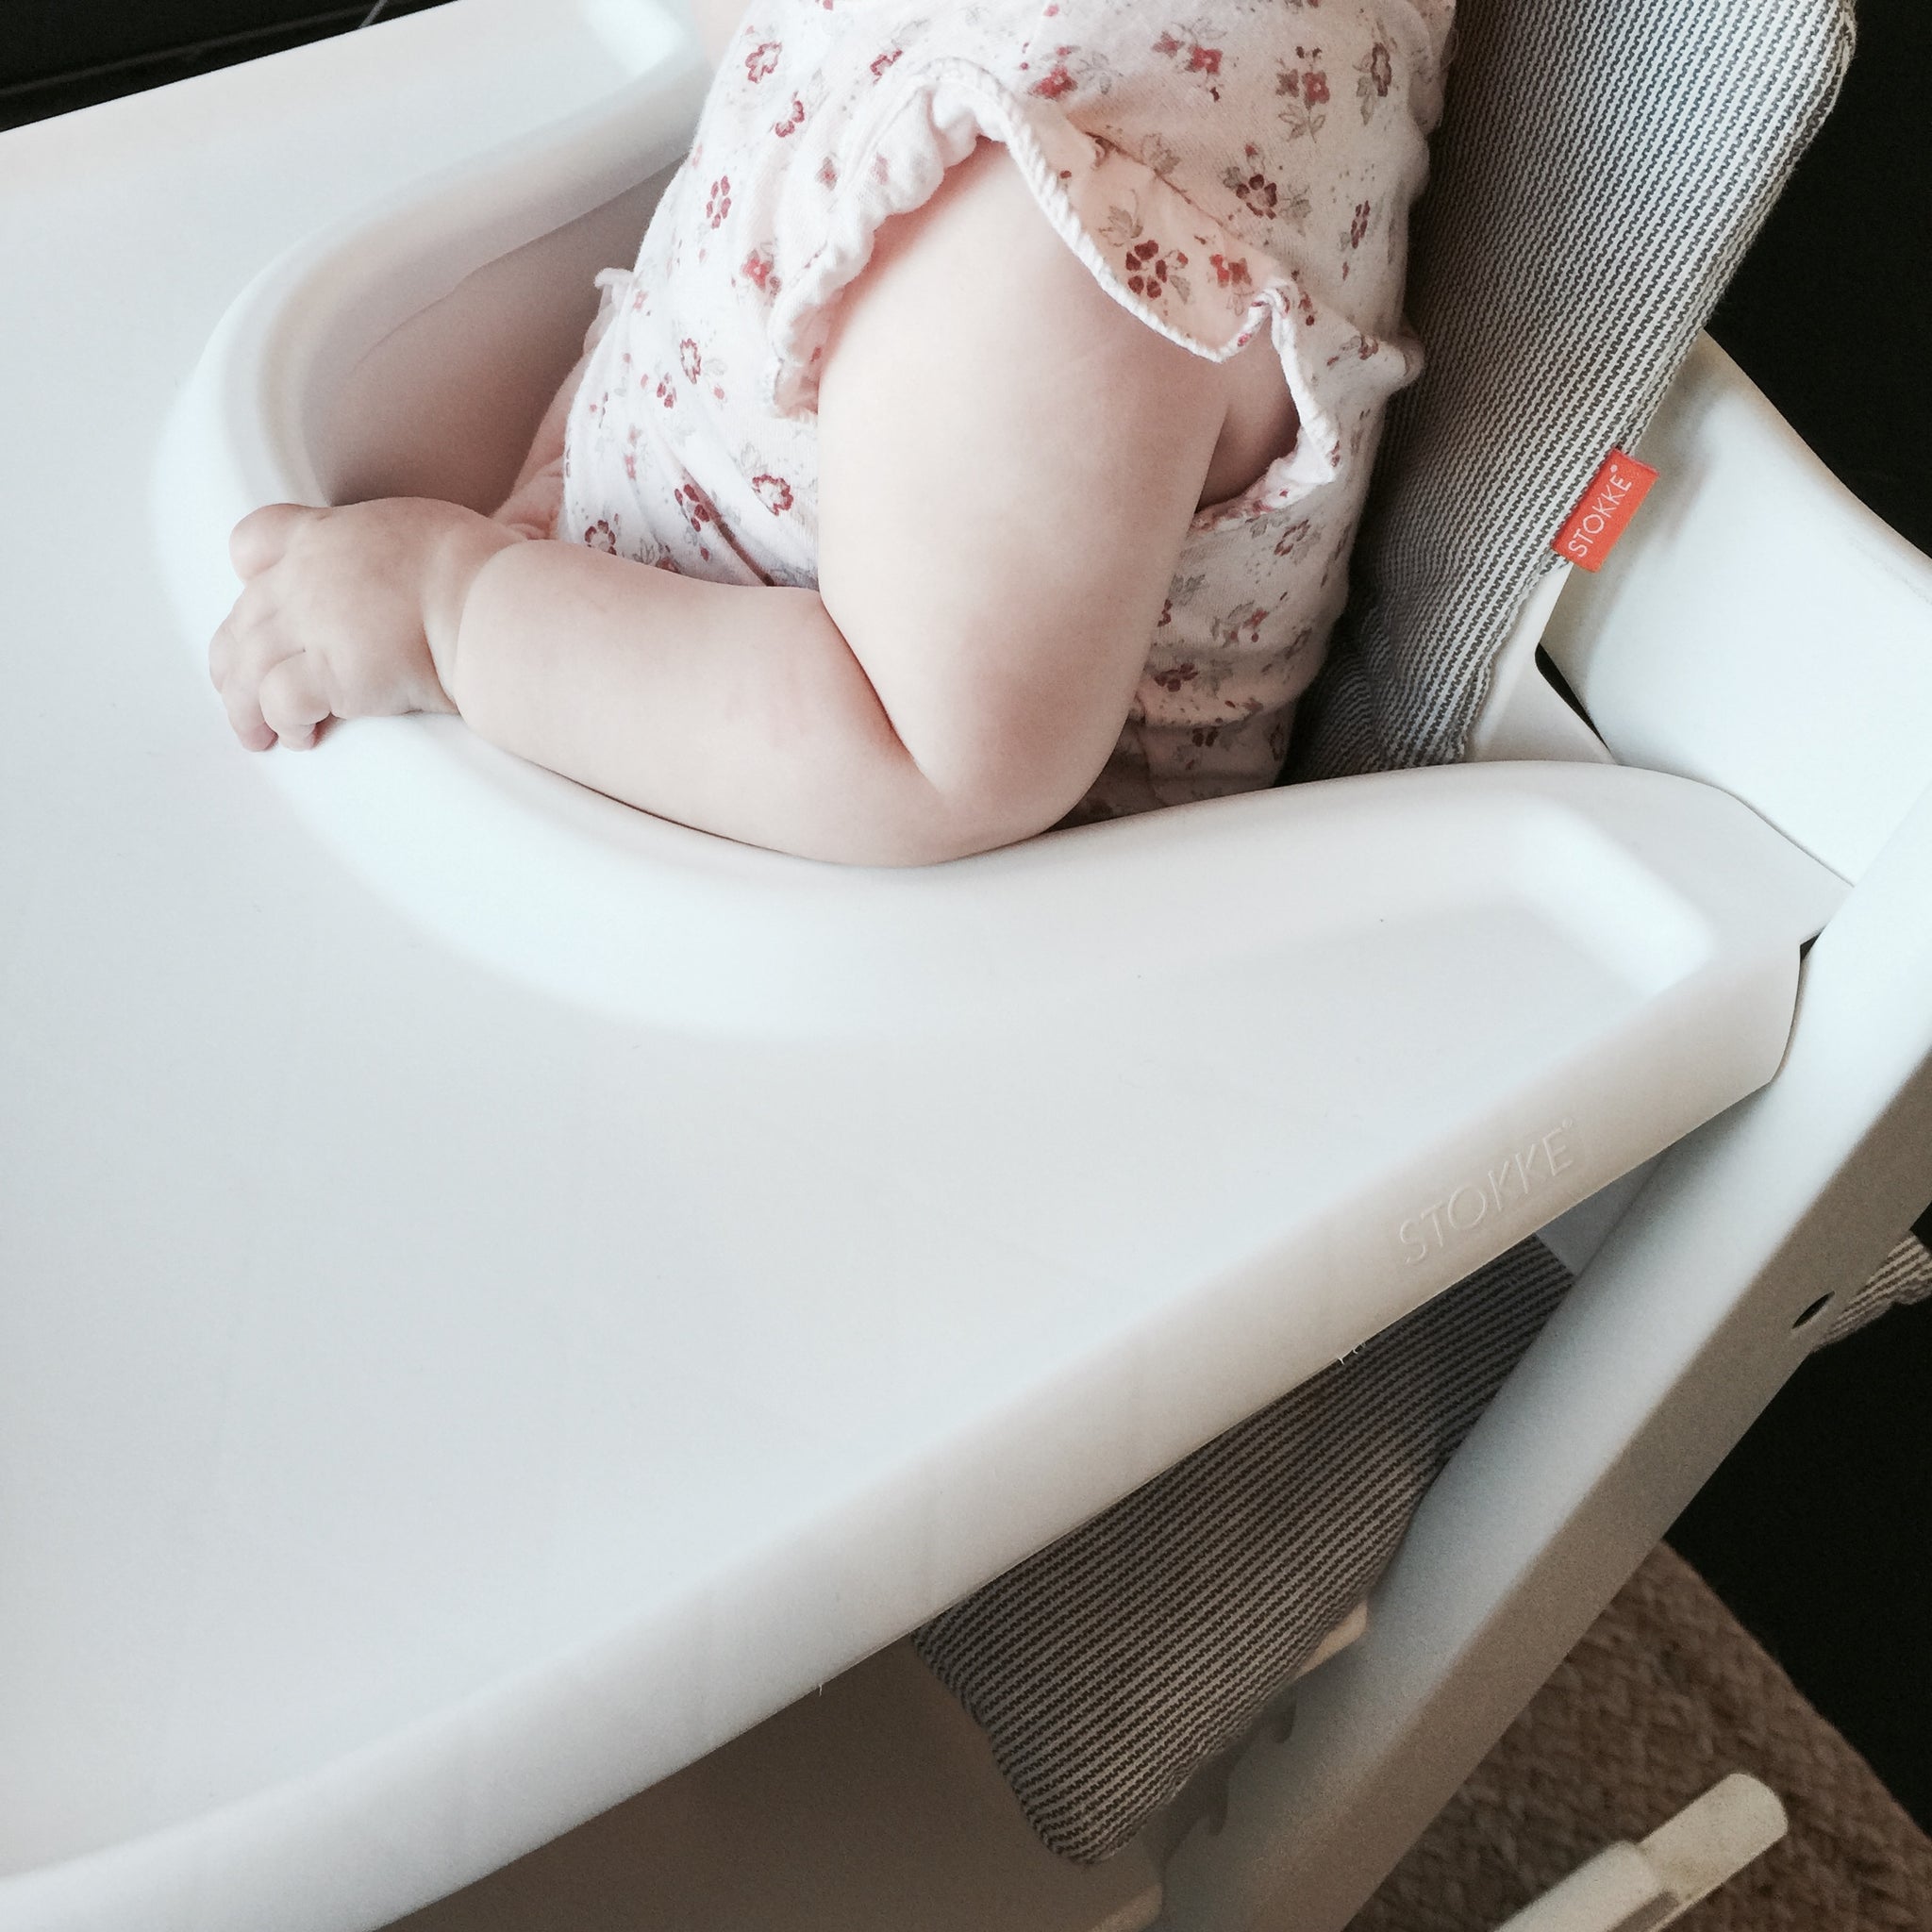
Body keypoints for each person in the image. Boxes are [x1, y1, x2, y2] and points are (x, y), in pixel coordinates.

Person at [208, 0, 1451, 864]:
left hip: (874, 912)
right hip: (641, 690)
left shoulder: (1052, 218)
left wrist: (454, 610)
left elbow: (915, 754)